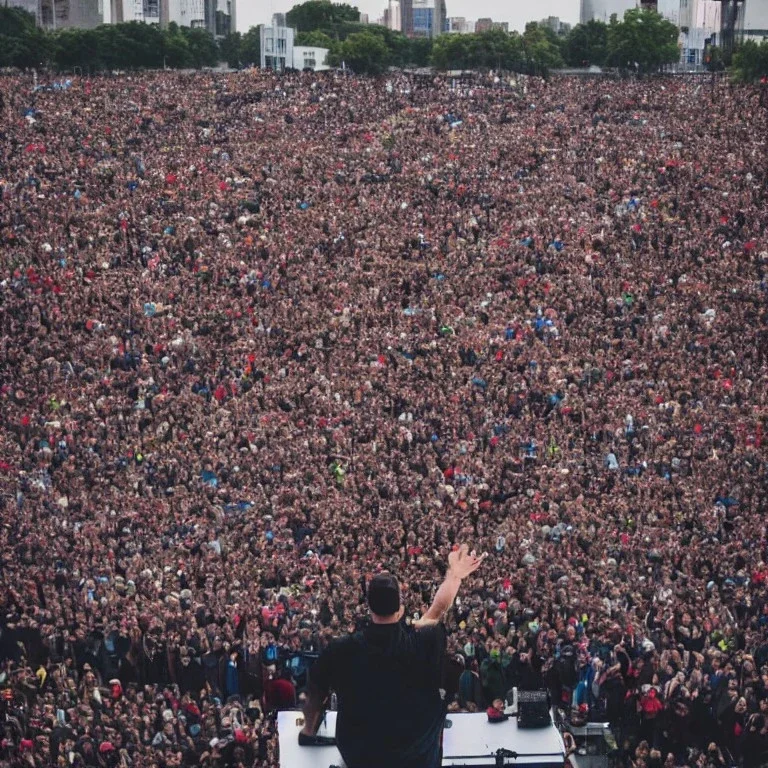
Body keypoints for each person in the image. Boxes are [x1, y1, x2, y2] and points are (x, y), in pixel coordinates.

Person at [299, 544, 486, 768]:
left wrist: (309, 730)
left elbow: (314, 694)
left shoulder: (342, 650)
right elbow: (438, 609)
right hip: (419, 759)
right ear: (401, 609)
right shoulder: (425, 641)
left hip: (361, 759)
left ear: (369, 608)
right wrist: (454, 574)